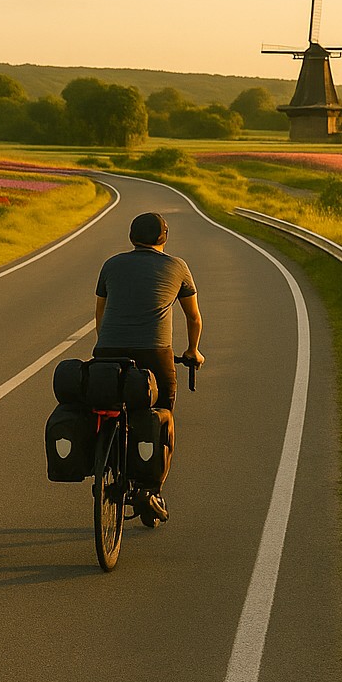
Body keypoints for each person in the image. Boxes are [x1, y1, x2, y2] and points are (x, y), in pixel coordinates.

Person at [93, 211, 203, 524]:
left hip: (108, 352)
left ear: (131, 237)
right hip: (155, 354)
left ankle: (106, 457)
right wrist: (193, 351)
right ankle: (151, 490)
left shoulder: (111, 264)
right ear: (163, 238)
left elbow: (100, 312)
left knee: (108, 404)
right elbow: (193, 318)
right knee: (164, 416)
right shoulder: (177, 266)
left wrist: (108, 348)